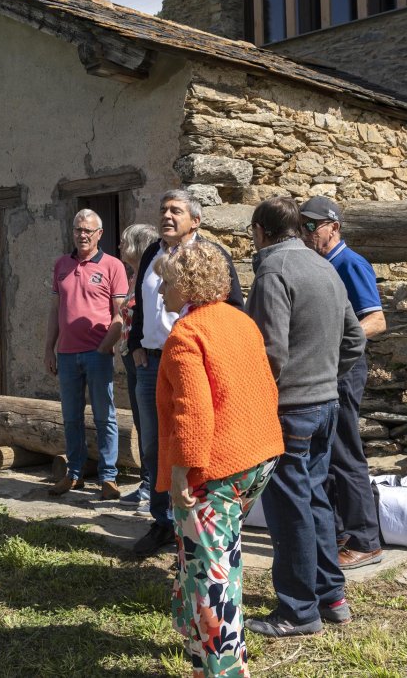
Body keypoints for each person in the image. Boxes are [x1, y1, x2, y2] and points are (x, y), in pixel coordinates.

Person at [155, 241, 284, 678]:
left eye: (166, 282)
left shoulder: (186, 334)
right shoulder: (240, 321)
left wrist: (180, 473)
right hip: (258, 457)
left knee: (214, 577)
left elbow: (192, 413)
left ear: (186, 285)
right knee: (213, 557)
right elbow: (266, 385)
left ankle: (225, 670)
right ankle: (200, 657)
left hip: (214, 468)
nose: (161, 291)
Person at [244, 197, 365, 639]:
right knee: (314, 501)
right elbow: (355, 339)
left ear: (260, 231)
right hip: (325, 404)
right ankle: (331, 597)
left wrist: (255, 398)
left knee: (290, 509)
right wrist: (326, 378)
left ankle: (298, 611)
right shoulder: (324, 266)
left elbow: (270, 352)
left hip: (290, 409)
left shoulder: (273, 270)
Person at [126, 189, 244, 557]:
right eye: (163, 209)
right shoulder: (152, 252)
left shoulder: (209, 255)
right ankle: (162, 521)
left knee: (190, 439)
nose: (167, 215)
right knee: (153, 444)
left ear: (195, 220)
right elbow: (141, 303)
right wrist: (135, 343)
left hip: (193, 362)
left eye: (176, 210)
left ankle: (192, 521)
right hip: (152, 363)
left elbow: (233, 307)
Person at [301, 196, 387, 570]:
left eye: (312, 226)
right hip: (327, 369)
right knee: (328, 452)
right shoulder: (321, 264)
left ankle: (365, 540)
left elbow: (377, 321)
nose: (305, 233)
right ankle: (339, 532)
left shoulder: (350, 263)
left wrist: (335, 344)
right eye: (301, 226)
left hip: (344, 370)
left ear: (333, 227)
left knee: (346, 452)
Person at [44, 209, 128, 499]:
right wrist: (49, 348)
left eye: (88, 231)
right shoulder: (61, 265)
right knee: (71, 417)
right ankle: (74, 473)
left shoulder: (113, 266)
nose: (82, 235)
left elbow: (121, 313)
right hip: (67, 354)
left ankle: (108, 477)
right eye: (78, 230)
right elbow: (55, 311)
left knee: (105, 416)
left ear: (99, 234)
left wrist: (106, 346)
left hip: (97, 352)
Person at [115, 223, 157, 513]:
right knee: (143, 424)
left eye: (124, 241)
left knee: (150, 426)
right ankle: (147, 483)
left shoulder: (153, 276)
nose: (120, 247)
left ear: (138, 246)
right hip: (131, 357)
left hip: (145, 359)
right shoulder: (134, 276)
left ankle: (154, 489)